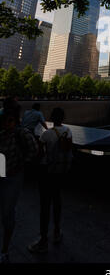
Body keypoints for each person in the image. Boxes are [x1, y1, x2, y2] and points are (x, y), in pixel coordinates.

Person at [28, 108, 72, 254]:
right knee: (57, 200)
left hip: (47, 172)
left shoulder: (46, 134)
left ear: (52, 118)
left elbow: (39, 154)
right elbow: (68, 150)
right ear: (63, 117)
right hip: (60, 171)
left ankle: (43, 240)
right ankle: (57, 231)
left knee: (45, 205)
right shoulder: (68, 131)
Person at [0, 105, 38, 263]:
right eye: (4, 121)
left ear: (15, 122)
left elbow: (34, 150)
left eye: (10, 121)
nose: (7, 124)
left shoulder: (22, 134)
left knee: (7, 214)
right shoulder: (1, 133)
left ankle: (4, 250)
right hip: (1, 174)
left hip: (12, 178)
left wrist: (21, 164)